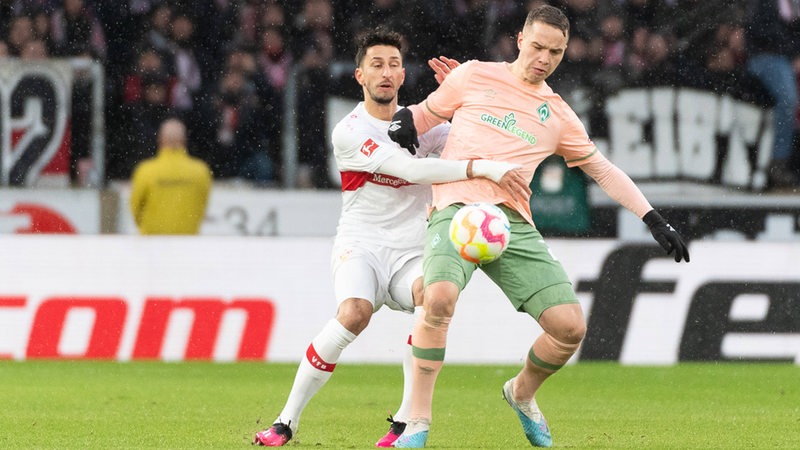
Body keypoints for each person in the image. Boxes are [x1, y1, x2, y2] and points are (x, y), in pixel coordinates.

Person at [386, 5, 690, 448]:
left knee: (570, 328)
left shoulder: (557, 115)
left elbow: (603, 170)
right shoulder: (473, 75)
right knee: (439, 297)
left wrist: (652, 217)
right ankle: (417, 423)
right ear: (520, 39)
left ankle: (521, 393)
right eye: (539, 47)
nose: (545, 58)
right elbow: (423, 116)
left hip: (510, 222)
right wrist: (404, 121)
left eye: (556, 52)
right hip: (456, 206)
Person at [252, 28, 525, 448]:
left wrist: (465, 104)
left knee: (431, 299)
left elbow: (481, 142)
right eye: (376, 64)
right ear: (360, 75)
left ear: (402, 77)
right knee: (355, 314)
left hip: (411, 250)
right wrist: (479, 168)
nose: (386, 72)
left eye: (394, 65)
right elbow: (414, 171)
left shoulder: (427, 126)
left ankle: (402, 421)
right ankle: (285, 421)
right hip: (360, 247)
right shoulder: (349, 131)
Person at [745, 0, 800, 189]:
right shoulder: (765, 3)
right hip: (766, 56)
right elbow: (762, 31)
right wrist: (793, 53)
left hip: (785, 56)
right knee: (787, 99)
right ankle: (778, 162)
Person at [129, 117, 212, 235]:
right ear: (184, 140)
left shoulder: (146, 171)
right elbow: (202, 204)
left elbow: (135, 207)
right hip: (188, 241)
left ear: (160, 139)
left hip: (152, 242)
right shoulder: (200, 171)